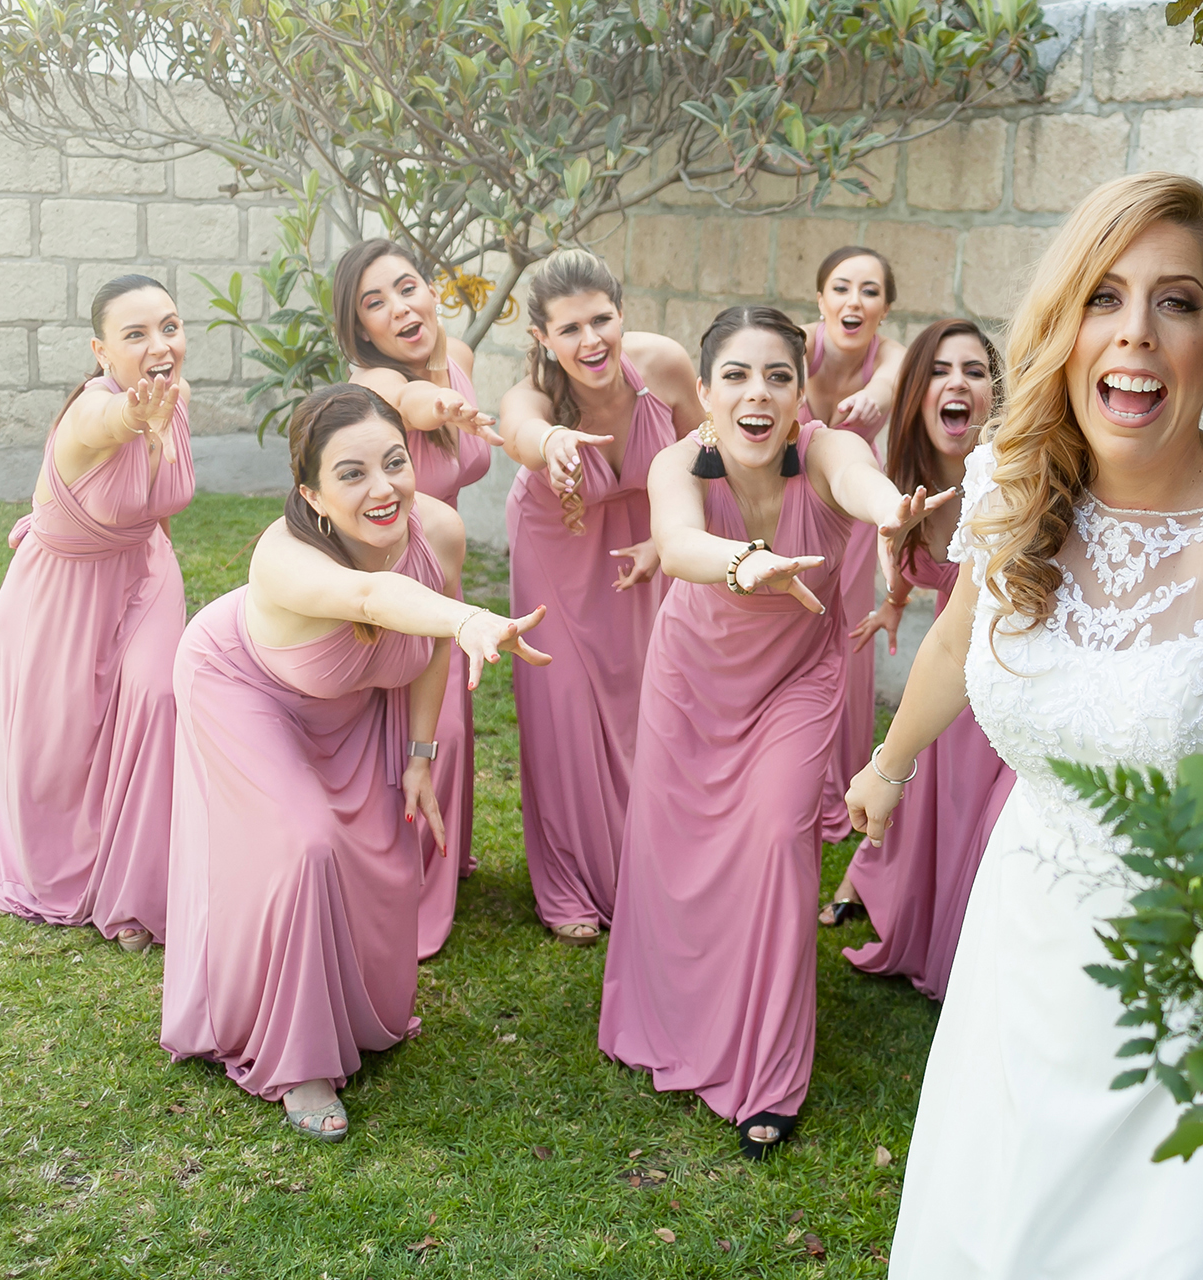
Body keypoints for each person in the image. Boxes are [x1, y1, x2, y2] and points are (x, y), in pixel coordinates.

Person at [846, 174, 1203, 1278]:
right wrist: (889, 765)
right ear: (1064, 325)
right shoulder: (1014, 479)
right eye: (1104, 297)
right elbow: (953, 641)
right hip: (1026, 939)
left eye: (1177, 303)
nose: (1135, 333)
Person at [598, 306, 950, 1159]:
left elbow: (861, 481)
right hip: (691, 683)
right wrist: (744, 561)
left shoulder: (825, 450)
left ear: (799, 394)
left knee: (777, 839)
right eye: (737, 376)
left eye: (778, 377)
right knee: (673, 857)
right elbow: (676, 542)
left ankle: (767, 1069)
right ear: (706, 392)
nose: (758, 393)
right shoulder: (680, 461)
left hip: (795, 684)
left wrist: (891, 512)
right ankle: (671, 1016)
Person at [160, 384, 548, 1141]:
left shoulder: (437, 530)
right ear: (311, 493)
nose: (383, 488)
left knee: (383, 854)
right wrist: (469, 617)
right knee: (305, 846)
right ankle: (297, 1062)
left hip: (351, 702)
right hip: (241, 687)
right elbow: (372, 597)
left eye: (394, 462)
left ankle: (354, 1012)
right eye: (352, 473)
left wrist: (420, 754)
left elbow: (428, 646)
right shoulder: (282, 555)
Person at [0, 274, 195, 952]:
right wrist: (137, 417)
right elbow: (112, 424)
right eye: (136, 334)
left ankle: (137, 889)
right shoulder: (93, 411)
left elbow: (155, 498)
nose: (160, 345)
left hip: (145, 569)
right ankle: (62, 863)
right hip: (64, 588)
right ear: (101, 351)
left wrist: (160, 562)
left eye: (169, 326)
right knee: (58, 744)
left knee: (158, 695)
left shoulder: (176, 396)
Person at [496, 249, 703, 945]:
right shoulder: (535, 395)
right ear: (542, 338)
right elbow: (520, 429)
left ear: (622, 314)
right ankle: (570, 884)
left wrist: (669, 539)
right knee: (564, 709)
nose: (591, 341)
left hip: (644, 544)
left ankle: (645, 862)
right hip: (556, 546)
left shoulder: (664, 364)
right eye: (570, 329)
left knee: (644, 699)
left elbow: (707, 451)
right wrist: (552, 440)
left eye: (601, 320)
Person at [819, 320, 1017, 1004]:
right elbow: (910, 568)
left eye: (974, 370)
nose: (956, 383)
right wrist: (893, 605)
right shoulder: (905, 486)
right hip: (946, 672)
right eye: (939, 370)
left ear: (995, 395)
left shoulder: (1014, 473)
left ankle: (969, 943)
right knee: (928, 794)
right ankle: (885, 889)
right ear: (917, 396)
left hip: (1006, 671)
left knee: (983, 817)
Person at [334, 239, 505, 960]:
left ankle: (439, 860)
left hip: (446, 562)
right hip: (394, 573)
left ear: (432, 290)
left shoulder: (458, 355)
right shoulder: (378, 384)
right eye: (374, 303)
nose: (399, 308)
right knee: (418, 733)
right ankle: (396, 893)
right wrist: (439, 405)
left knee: (452, 723)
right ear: (361, 328)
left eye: (407, 288)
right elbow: (412, 402)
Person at [801, 247, 908, 842]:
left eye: (870, 291)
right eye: (841, 288)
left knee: (846, 631)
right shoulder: (797, 344)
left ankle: (839, 783)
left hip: (858, 510)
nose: (854, 301)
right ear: (820, 299)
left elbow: (891, 379)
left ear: (884, 307)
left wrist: (879, 396)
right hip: (793, 504)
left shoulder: (888, 355)